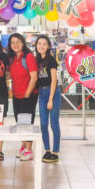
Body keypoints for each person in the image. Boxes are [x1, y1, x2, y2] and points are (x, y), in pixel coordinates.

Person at [8, 33, 38, 161]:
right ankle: (24, 147)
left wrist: (27, 93)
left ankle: (29, 150)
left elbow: (34, 76)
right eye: (13, 42)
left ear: (23, 43)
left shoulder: (28, 57)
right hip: (16, 95)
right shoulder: (13, 58)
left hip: (28, 95)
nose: (15, 44)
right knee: (19, 122)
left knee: (26, 123)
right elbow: (10, 76)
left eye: (18, 42)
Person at [35, 35, 61, 163]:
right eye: (39, 43)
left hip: (53, 92)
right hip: (42, 92)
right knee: (43, 124)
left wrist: (50, 99)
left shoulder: (51, 60)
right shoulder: (36, 60)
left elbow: (54, 79)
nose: (41, 46)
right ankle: (47, 151)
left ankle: (55, 152)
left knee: (54, 123)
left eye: (44, 44)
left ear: (48, 46)